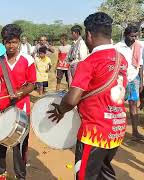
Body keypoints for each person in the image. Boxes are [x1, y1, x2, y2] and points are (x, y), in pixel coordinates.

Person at [48, 12, 128, 180]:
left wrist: (60, 110)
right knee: (104, 174)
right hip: (116, 129)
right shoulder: (121, 59)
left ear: (89, 35)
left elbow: (71, 100)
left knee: (85, 176)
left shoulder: (90, 62)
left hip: (94, 133)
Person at [0, 24, 36, 180]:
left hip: (22, 108)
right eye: (8, 42)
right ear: (3, 42)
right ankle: (0, 173)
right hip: (1, 109)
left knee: (20, 146)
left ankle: (20, 175)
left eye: (15, 42)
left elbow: (32, 84)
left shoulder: (28, 60)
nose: (11, 45)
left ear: (19, 42)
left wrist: (20, 93)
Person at [115, 25, 144, 140]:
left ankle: (135, 132)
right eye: (132, 36)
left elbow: (140, 65)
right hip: (120, 80)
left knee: (133, 104)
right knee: (118, 105)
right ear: (125, 35)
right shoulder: (117, 47)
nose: (134, 39)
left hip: (134, 79)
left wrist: (141, 81)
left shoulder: (138, 46)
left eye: (136, 36)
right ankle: (116, 130)